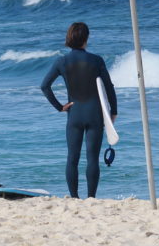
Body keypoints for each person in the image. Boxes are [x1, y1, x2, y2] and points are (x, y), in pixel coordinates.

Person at [40, 21, 117, 199]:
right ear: (86, 38)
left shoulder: (62, 61)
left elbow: (45, 86)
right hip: (95, 114)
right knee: (92, 158)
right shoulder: (96, 60)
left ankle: (74, 197)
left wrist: (60, 107)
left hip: (74, 114)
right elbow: (109, 87)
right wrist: (113, 111)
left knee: (72, 158)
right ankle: (91, 198)